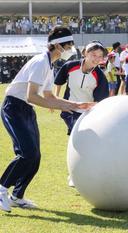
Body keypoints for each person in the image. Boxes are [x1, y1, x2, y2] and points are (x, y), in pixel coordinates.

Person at [0, 27, 92, 212]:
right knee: (27, 154)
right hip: (13, 108)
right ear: (57, 45)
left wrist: (75, 105)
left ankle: (17, 196)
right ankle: (2, 189)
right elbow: (32, 96)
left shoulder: (50, 65)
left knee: (34, 156)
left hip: (26, 110)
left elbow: (49, 96)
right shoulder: (41, 61)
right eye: (69, 45)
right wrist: (64, 106)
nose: (71, 49)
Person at [55, 41, 109, 136]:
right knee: (78, 134)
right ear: (84, 53)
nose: (97, 59)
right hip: (69, 109)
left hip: (87, 113)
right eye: (94, 55)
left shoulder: (100, 76)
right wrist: (56, 99)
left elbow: (100, 100)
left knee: (79, 136)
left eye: (100, 56)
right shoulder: (70, 66)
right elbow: (59, 81)